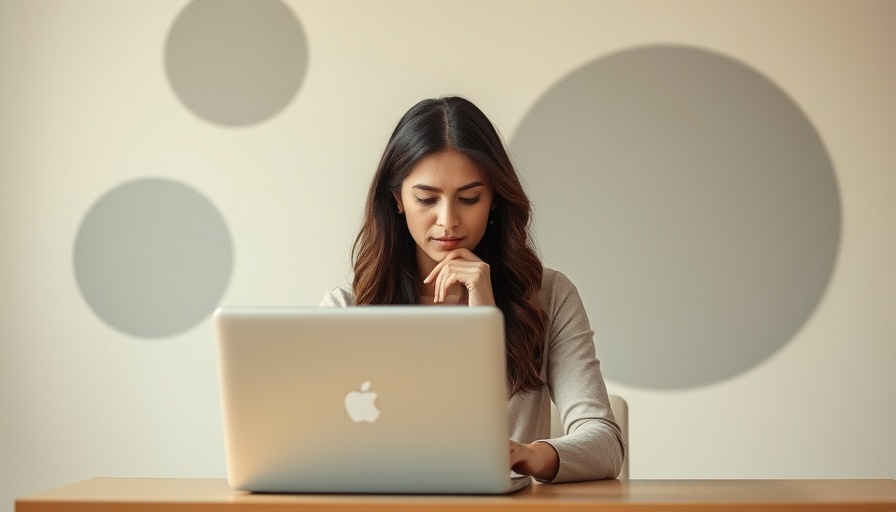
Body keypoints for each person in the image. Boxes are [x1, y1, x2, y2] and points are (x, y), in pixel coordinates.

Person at [321, 96, 625, 482]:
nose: (448, 220)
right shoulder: (347, 307)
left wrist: (527, 454)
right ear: (397, 199)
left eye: (469, 199)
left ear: (494, 199)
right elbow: (314, 444)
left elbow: (605, 444)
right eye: (426, 199)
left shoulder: (548, 295)